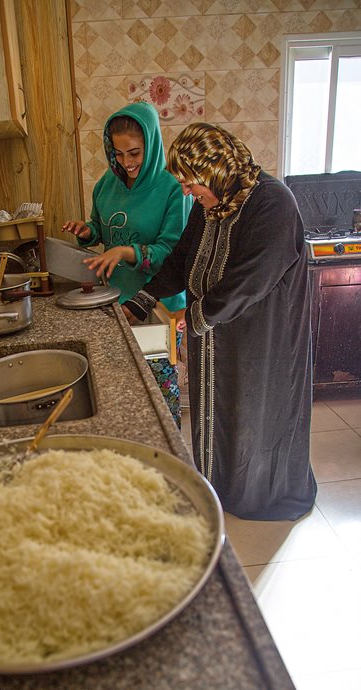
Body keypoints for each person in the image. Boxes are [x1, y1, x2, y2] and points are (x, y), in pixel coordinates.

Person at [122, 122, 317, 521]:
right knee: (218, 412)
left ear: (216, 169)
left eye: (193, 184)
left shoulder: (273, 202)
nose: (188, 193)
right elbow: (182, 258)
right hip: (215, 337)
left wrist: (191, 317)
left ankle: (258, 495)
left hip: (260, 342)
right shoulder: (212, 204)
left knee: (251, 415)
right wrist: (142, 300)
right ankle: (219, 488)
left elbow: (252, 279)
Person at [62, 102, 191, 428]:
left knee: (158, 393)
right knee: (122, 392)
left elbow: (173, 253)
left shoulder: (173, 188)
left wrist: (126, 252)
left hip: (159, 306)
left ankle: (168, 451)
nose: (127, 163)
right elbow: (101, 229)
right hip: (115, 304)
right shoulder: (106, 185)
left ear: (152, 143)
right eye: (118, 154)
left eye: (134, 153)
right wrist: (88, 231)